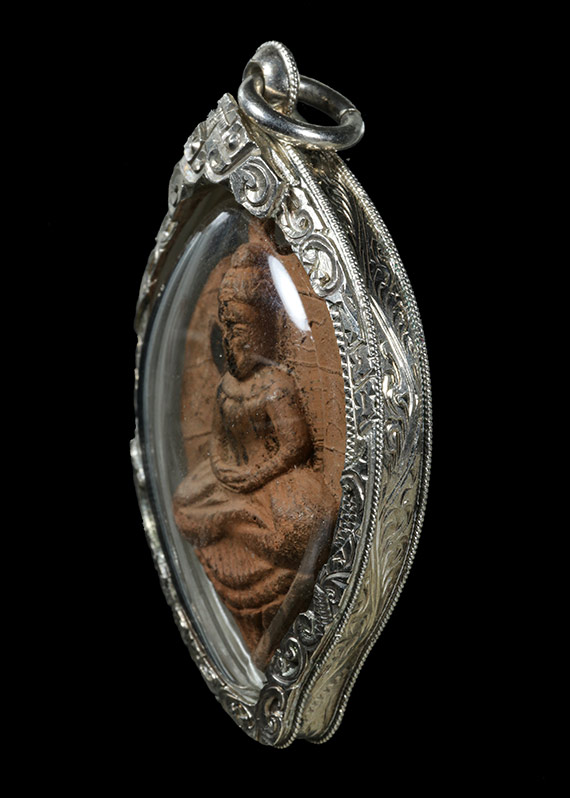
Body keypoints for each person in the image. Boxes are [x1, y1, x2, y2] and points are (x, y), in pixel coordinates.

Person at [173, 239, 336, 668]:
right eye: (227, 329)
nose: (232, 339)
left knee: (307, 520)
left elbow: (295, 446)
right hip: (232, 479)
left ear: (264, 329)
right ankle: (235, 518)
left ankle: (238, 522)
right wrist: (225, 471)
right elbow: (218, 444)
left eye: (241, 329)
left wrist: (256, 476)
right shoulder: (227, 386)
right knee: (182, 504)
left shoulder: (276, 385)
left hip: (273, 480)